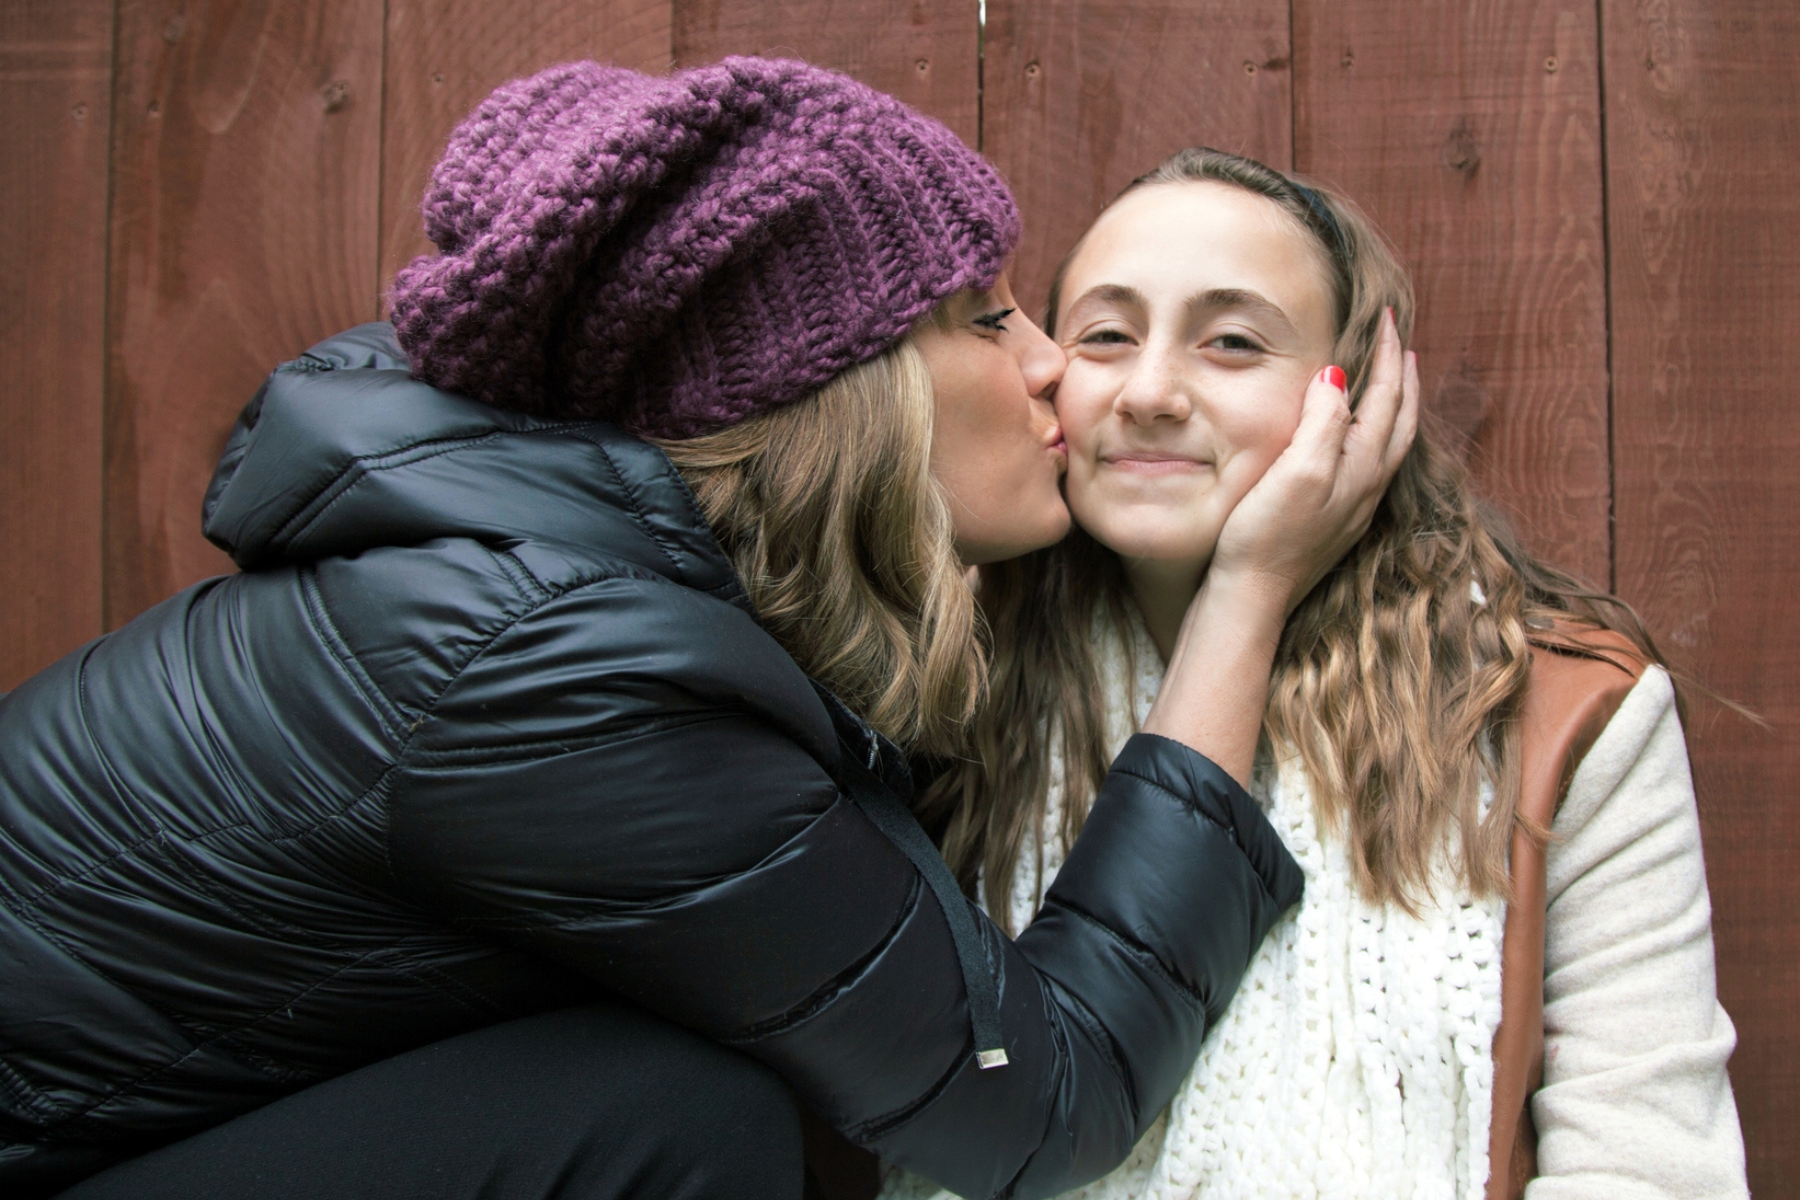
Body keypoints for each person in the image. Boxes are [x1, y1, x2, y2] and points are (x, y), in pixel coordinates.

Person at [0, 68, 1415, 1200]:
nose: (1053, 361)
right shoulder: (568, 674)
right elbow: (1035, 1101)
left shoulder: (576, 579)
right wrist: (1245, 599)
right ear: (838, 396)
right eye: (987, 319)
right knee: (686, 1128)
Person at [901, 147, 1747, 1199]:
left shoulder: (1554, 709)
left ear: (1356, 394)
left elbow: (1648, 1160)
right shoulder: (939, 694)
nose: (1152, 391)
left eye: (1234, 342)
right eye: (1106, 336)